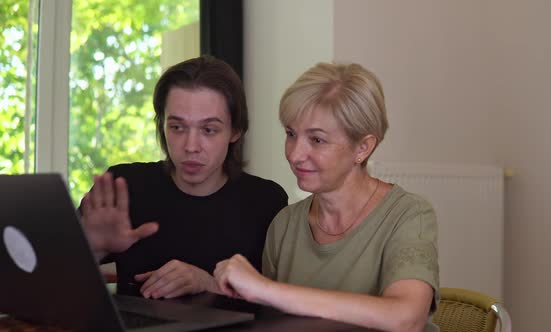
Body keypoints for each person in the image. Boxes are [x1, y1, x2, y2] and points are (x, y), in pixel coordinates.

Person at [214, 62, 439, 331]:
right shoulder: (285, 225)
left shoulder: (409, 215)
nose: (295, 154)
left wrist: (265, 289)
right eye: (290, 134)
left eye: (317, 140)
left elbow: (406, 318)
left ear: (363, 148)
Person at [80, 56, 288, 300]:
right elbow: (50, 282)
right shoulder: (124, 186)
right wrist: (95, 248)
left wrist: (208, 283)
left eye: (209, 130)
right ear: (162, 125)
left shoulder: (265, 201)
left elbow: (278, 305)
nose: (191, 146)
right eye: (177, 127)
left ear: (235, 131)